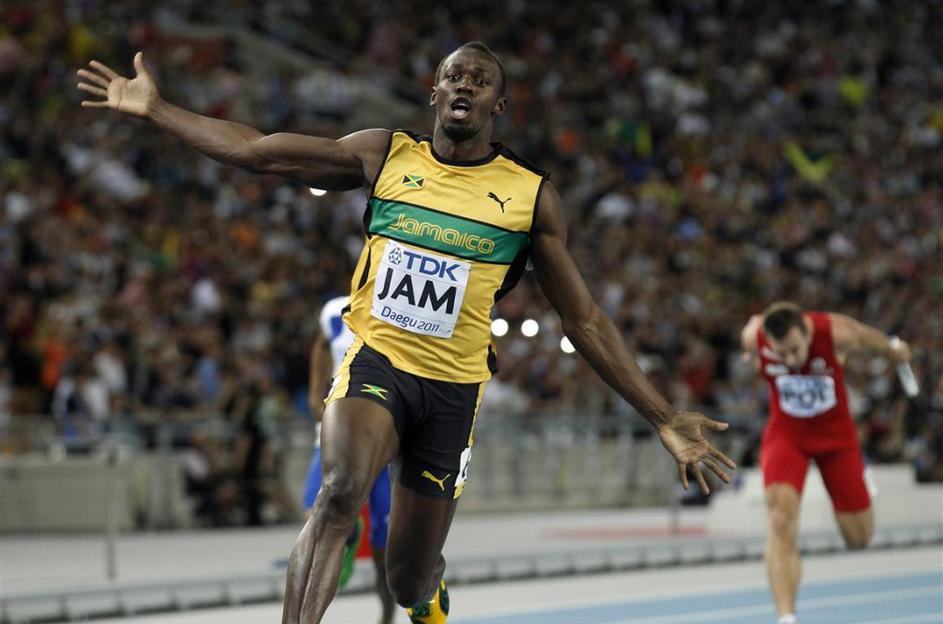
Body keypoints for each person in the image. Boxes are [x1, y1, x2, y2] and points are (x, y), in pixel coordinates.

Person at [77, 41, 736, 624]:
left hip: (452, 391)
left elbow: (583, 319)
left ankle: (428, 594)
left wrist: (661, 416)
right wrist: (158, 110)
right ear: (434, 92)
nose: (464, 85)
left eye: (480, 80)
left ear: (499, 106)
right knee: (339, 494)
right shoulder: (384, 154)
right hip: (377, 361)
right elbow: (257, 151)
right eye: (454, 75)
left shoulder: (528, 196)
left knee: (408, 577)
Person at [740, 302, 912, 624]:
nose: (790, 361)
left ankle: (861, 480)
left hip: (837, 439)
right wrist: (752, 355)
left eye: (795, 350)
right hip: (787, 435)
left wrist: (893, 350)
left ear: (807, 332)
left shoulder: (835, 331)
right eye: (781, 353)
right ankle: (786, 617)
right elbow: (749, 343)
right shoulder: (754, 336)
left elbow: (869, 338)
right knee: (779, 521)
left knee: (859, 537)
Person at [303, 295, 394, 623]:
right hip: (337, 435)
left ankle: (387, 617)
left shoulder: (401, 310)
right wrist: (316, 395)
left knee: (385, 549)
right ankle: (351, 532)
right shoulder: (334, 311)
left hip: (382, 443)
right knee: (312, 515)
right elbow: (320, 346)